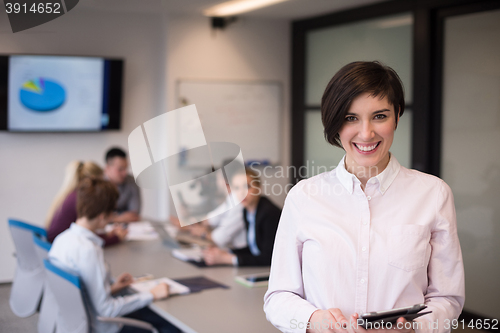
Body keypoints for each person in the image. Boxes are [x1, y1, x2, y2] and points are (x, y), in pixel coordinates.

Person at [263, 61, 465, 333]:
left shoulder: (433, 194)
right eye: (350, 118)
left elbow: (447, 298)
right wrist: (313, 320)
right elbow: (278, 297)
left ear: (397, 116)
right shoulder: (304, 197)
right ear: (335, 124)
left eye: (380, 116)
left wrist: (415, 328)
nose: (366, 133)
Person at [49, 178, 180, 333]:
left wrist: (111, 288)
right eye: (113, 212)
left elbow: (81, 293)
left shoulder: (62, 239)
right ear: (103, 216)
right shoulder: (88, 250)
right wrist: (151, 294)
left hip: (72, 324)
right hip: (102, 326)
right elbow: (107, 310)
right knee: (170, 327)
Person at [203, 168, 281, 266]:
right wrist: (226, 252)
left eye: (247, 187)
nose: (241, 193)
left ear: (258, 188)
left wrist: (227, 259)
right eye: (237, 188)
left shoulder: (269, 213)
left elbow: (268, 258)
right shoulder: (246, 211)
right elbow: (254, 249)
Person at [46, 160, 126, 245]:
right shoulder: (80, 199)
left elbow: (84, 232)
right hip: (63, 245)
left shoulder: (73, 194)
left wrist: (106, 234)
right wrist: (116, 238)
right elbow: (88, 240)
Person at [104, 147, 141, 223]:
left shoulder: (131, 181)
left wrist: (109, 218)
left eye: (126, 168)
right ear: (107, 168)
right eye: (120, 169)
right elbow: (96, 217)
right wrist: (119, 218)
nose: (125, 173)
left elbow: (134, 215)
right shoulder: (96, 185)